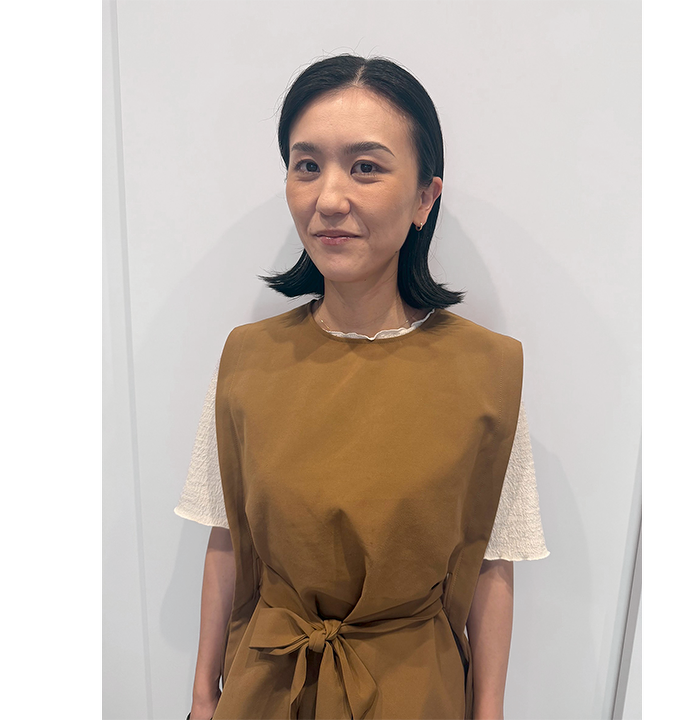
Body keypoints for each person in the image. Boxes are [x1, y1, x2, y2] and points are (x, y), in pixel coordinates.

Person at [175, 54, 549, 720]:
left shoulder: (488, 373)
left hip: (414, 690)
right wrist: (204, 695)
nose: (329, 198)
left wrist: (488, 710)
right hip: (268, 684)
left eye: (366, 166)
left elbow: (494, 562)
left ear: (425, 197)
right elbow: (227, 537)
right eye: (306, 165)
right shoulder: (247, 359)